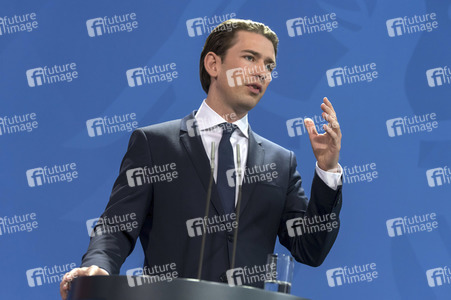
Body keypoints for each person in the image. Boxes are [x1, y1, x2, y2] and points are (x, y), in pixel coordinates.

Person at [60, 19, 342, 299]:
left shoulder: (282, 162)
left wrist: (327, 170)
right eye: (250, 58)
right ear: (213, 65)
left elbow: (310, 248)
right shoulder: (155, 145)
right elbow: (117, 226)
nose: (262, 72)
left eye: (269, 66)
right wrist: (97, 265)